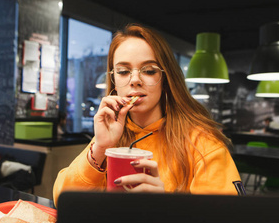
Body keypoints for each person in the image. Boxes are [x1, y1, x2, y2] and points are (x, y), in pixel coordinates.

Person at [53, 24, 241, 205]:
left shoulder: (202, 143)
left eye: (149, 70)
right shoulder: (110, 137)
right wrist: (100, 148)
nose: (134, 80)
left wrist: (165, 207)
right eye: (123, 71)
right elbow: (62, 199)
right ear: (114, 80)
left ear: (166, 79)